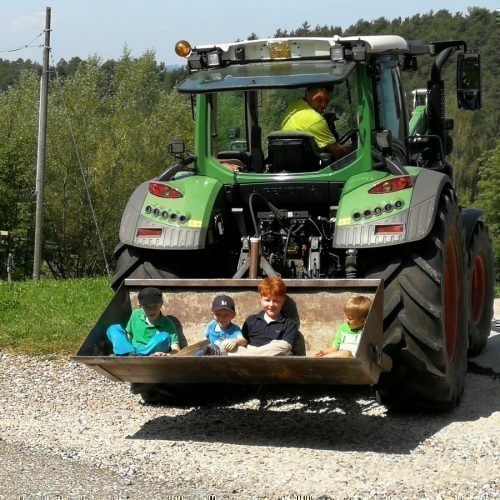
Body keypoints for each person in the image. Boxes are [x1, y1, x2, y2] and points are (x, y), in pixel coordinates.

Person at [228, 277, 298, 356]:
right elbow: (244, 341)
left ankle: (253, 355)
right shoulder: (251, 320)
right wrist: (235, 341)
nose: (271, 305)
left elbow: (286, 347)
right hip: (248, 354)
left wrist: (254, 351)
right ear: (261, 299)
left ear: (283, 301)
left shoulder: (289, 324)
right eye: (267, 300)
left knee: (283, 346)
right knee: (227, 346)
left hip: (272, 359)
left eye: (276, 301)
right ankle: (253, 355)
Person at [281, 85, 351, 159]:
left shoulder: (294, 105)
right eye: (319, 99)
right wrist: (356, 149)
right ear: (308, 93)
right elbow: (340, 152)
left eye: (327, 100)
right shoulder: (316, 120)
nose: (323, 105)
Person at [106, 287, 180, 356]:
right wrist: (123, 346)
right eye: (147, 306)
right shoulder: (136, 314)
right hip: (132, 352)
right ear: (140, 306)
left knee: (164, 336)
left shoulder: (168, 324)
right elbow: (129, 336)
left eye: (155, 306)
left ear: (161, 304)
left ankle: (132, 357)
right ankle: (125, 355)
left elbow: (176, 349)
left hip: (152, 355)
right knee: (113, 329)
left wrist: (167, 355)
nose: (151, 310)